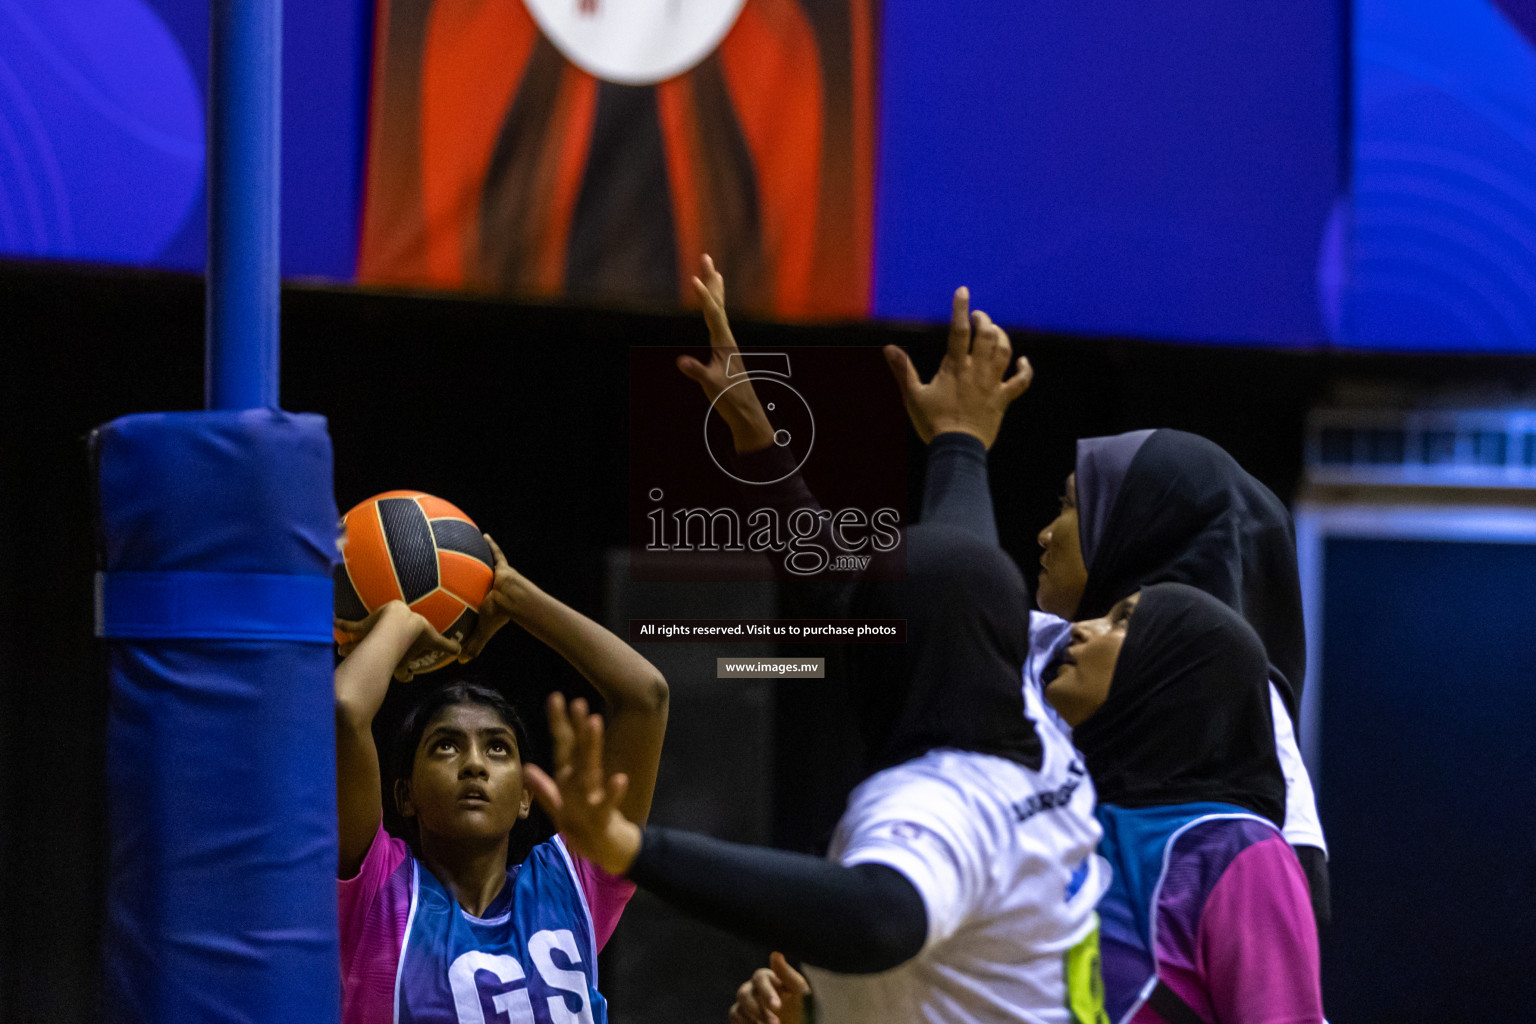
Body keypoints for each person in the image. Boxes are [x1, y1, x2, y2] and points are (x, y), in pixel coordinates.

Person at [528, 522, 1111, 1024]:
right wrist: (959, 445)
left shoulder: (938, 802)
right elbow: (961, 579)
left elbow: (879, 917)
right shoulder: (1047, 741)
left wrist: (636, 849)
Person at [333, 535, 668, 1024]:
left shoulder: (572, 885)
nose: (474, 764)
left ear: (527, 796)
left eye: (497, 748)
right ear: (405, 794)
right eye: (446, 745)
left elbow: (647, 696)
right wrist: (399, 621)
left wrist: (516, 599)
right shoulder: (378, 891)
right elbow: (344, 711)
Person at [1045, 583, 1323, 1023]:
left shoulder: (1238, 848)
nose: (1080, 629)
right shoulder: (1063, 816)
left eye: (1123, 621)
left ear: (1175, 674)